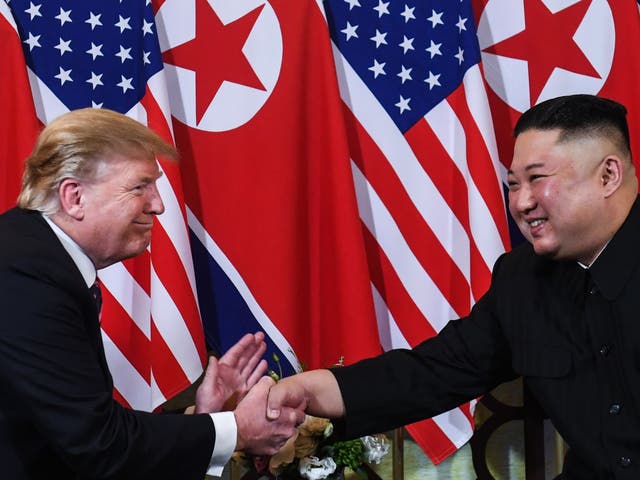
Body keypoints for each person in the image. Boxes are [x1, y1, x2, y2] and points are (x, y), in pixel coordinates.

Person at [266, 94, 640, 480]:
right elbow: (436, 372)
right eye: (513, 184)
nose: (522, 202)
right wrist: (310, 391)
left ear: (608, 175)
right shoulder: (521, 279)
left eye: (537, 179)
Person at [0, 108, 303, 480]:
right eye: (140, 186)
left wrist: (207, 419)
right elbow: (98, 445)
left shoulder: (35, 256)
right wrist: (237, 428)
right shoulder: (24, 273)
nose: (158, 205)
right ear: (73, 197)